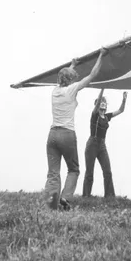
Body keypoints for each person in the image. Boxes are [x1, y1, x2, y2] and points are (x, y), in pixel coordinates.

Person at [43, 49, 106, 210]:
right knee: (73, 169)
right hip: (66, 135)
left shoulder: (55, 91)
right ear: (70, 80)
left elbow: (64, 77)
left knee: (53, 172)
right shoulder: (72, 90)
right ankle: (65, 198)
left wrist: (72, 64)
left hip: (52, 136)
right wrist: (101, 55)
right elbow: (92, 75)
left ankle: (51, 205)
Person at [82, 89, 127, 198]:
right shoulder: (94, 116)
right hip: (92, 143)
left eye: (104, 103)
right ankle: (86, 196)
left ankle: (110, 196)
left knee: (107, 171)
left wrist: (124, 99)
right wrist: (102, 89)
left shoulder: (107, 117)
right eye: (100, 102)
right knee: (89, 172)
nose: (102, 105)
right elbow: (97, 105)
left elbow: (121, 110)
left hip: (102, 145)